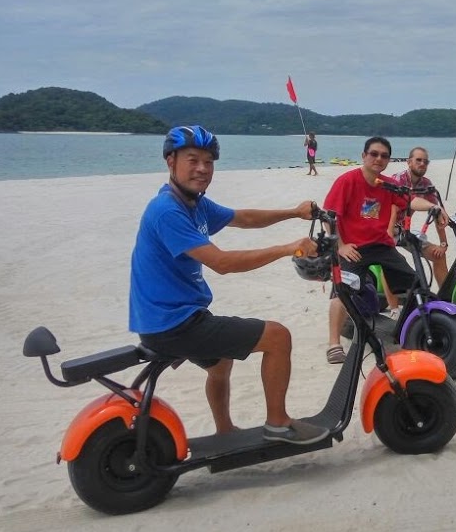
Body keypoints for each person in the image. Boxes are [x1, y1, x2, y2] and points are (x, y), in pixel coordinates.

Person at [129, 125, 329, 444]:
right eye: (193, 160)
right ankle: (278, 423)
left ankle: (225, 431)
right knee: (278, 337)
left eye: (209, 162)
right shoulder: (167, 211)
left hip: (175, 317)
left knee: (221, 361)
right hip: (172, 325)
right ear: (171, 161)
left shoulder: (192, 202)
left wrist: (293, 212)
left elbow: (244, 218)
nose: (202, 169)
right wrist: (287, 248)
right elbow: (222, 263)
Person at [322, 136, 440, 364]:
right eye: (374, 154)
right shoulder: (347, 181)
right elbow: (330, 216)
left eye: (384, 155)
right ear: (364, 156)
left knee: (416, 283)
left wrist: (433, 206)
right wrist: (341, 246)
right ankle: (334, 344)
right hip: (352, 247)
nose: (378, 159)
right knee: (342, 290)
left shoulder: (387, 184)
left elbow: (411, 200)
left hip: (380, 245)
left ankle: (413, 326)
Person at [381, 147, 450, 314]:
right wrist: (388, 236)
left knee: (438, 256)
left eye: (425, 161)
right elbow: (393, 207)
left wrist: (443, 243)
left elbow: (437, 214)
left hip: (404, 229)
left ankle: (446, 299)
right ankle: (394, 308)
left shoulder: (426, 184)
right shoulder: (398, 179)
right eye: (418, 160)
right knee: (388, 262)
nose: (422, 164)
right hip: (385, 228)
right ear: (409, 161)